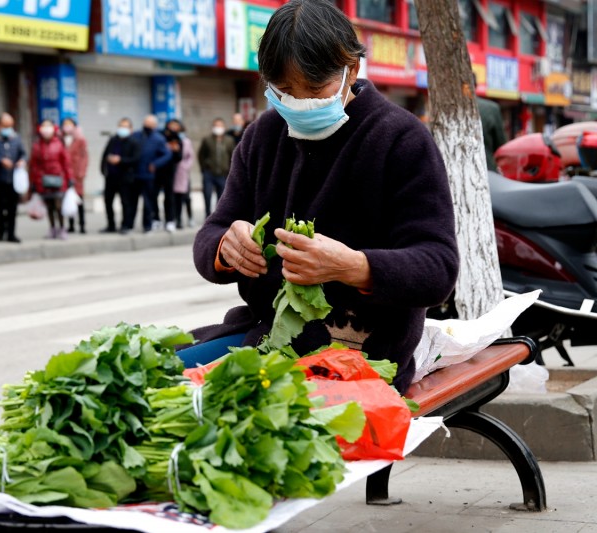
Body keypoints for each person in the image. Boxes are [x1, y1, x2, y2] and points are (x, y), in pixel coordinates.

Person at [191, 0, 459, 394]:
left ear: (352, 68)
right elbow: (212, 231)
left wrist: (353, 266)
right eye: (283, 91)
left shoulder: (401, 139)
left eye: (315, 89)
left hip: (363, 354)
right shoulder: (261, 136)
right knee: (167, 378)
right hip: (265, 338)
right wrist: (224, 247)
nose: (299, 103)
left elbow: (437, 268)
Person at [124, 115, 171, 233]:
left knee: (148, 203)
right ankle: (128, 225)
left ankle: (147, 225)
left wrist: (155, 164)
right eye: (146, 123)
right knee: (131, 202)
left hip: (148, 176)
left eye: (150, 124)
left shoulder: (159, 139)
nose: (147, 126)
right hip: (134, 174)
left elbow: (167, 154)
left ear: (155, 125)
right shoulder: (136, 135)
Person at [0, 112, 26, 243]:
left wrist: (22, 161)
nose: (8, 128)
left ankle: (11, 233)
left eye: (10, 125)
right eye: (5, 125)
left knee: (12, 208)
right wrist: (0, 160)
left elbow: (23, 154)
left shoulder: (16, 138)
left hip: (13, 179)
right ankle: (1, 232)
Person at [29, 119, 71, 239]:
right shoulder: (37, 145)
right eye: (44, 126)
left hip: (58, 179)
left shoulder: (59, 144)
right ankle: (52, 229)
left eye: (49, 126)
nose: (46, 129)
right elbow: (33, 165)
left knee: (58, 206)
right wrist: (33, 182)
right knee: (49, 207)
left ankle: (62, 229)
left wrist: (70, 178)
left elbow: (66, 163)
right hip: (43, 181)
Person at [99, 117, 140, 233]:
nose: (122, 129)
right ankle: (110, 225)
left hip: (125, 178)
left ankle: (125, 225)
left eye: (125, 127)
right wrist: (103, 170)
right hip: (111, 177)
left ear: (131, 129)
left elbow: (136, 159)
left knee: (125, 202)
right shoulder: (113, 140)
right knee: (108, 201)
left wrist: (120, 160)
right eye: (121, 126)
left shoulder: (134, 142)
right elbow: (105, 155)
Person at [198, 117, 235, 218]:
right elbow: (201, 155)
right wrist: (204, 168)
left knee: (221, 197)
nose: (218, 128)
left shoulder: (229, 140)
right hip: (209, 173)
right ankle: (207, 215)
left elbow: (233, 155)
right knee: (207, 195)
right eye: (216, 126)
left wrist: (230, 170)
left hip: (223, 174)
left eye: (220, 126)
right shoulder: (207, 140)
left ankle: (218, 217)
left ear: (224, 127)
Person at [152, 120, 182, 232]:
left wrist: (176, 150)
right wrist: (165, 147)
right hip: (157, 170)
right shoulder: (159, 135)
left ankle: (169, 220)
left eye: (177, 126)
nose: (174, 128)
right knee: (153, 195)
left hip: (170, 172)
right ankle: (155, 219)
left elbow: (179, 157)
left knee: (169, 197)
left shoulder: (178, 138)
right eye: (172, 125)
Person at [60, 117, 88, 234]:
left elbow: (84, 157)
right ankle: (71, 225)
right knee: (67, 199)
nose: (67, 126)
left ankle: (82, 225)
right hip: (64, 174)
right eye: (65, 124)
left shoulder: (80, 140)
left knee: (79, 200)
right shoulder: (59, 139)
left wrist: (82, 172)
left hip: (77, 174)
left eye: (69, 124)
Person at [474, 74, 507, 172]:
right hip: (487, 171)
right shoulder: (491, 109)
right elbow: (501, 146)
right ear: (475, 85)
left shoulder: (447, 112)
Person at [168, 119, 195, 229]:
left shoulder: (186, 142)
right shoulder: (170, 141)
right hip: (173, 172)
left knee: (186, 197)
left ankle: (190, 217)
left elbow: (191, 156)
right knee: (175, 198)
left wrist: (185, 166)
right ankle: (177, 219)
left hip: (183, 173)